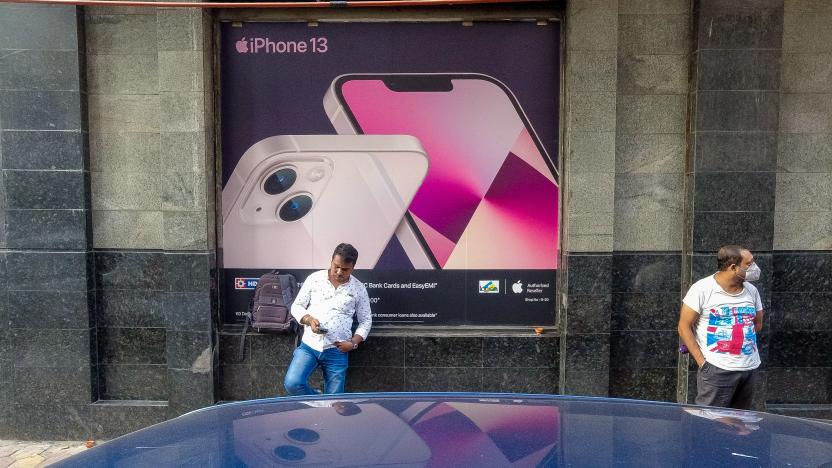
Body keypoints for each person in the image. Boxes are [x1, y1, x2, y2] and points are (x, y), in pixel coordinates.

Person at [677, 245, 764, 409]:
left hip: (749, 368)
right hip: (717, 369)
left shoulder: (752, 291)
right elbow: (684, 326)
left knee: (741, 423)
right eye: (749, 263)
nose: (754, 268)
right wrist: (703, 363)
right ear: (733, 267)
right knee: (709, 421)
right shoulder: (702, 289)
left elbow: (757, 324)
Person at [284, 243, 372, 395]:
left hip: (337, 350)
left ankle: (327, 407)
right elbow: (296, 306)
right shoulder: (314, 279)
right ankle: (318, 400)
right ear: (331, 260)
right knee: (293, 383)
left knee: (335, 402)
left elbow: (365, 320)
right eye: (336, 266)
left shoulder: (359, 288)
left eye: (345, 269)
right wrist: (309, 320)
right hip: (309, 346)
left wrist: (352, 343)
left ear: (353, 267)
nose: (339, 272)